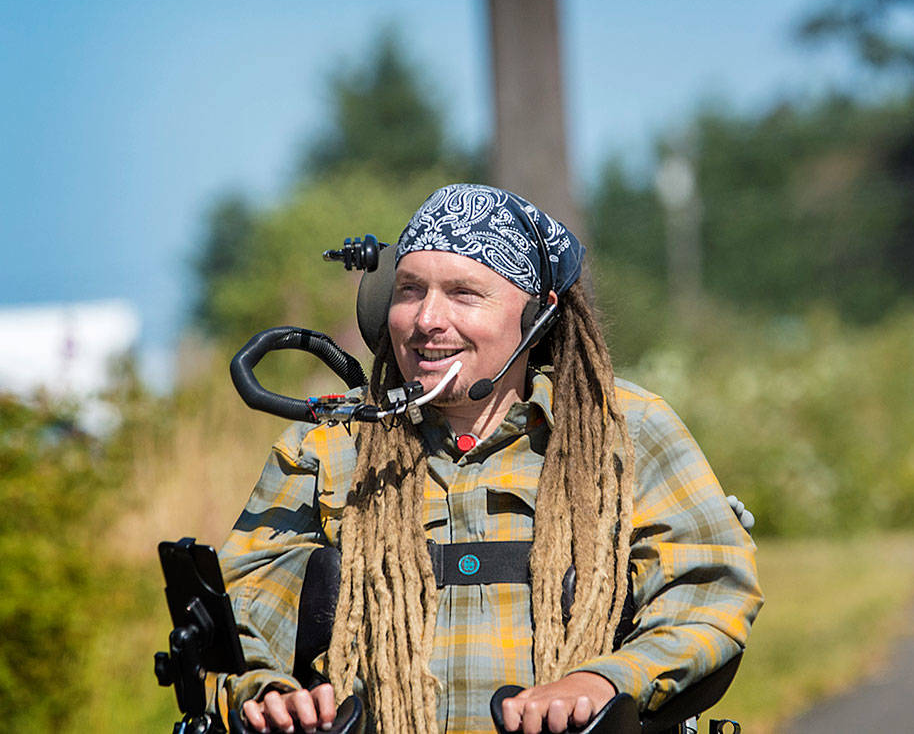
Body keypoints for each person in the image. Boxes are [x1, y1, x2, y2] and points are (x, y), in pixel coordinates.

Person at [217, 183, 762, 734]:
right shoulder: (328, 448)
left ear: (535, 319)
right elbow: (240, 602)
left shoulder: (627, 430)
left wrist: (604, 682)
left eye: (463, 294)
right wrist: (267, 692)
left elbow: (711, 588)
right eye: (409, 290)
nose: (427, 318)